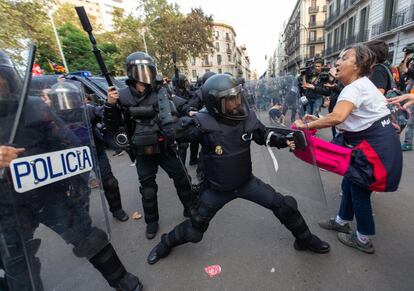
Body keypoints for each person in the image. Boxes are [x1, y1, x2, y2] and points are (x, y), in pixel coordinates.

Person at [146, 74, 330, 265]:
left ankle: (305, 240)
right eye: (230, 99)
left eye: (237, 96)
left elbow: (263, 134)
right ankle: (165, 243)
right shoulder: (202, 123)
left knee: (286, 206)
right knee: (195, 230)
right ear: (215, 104)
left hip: (246, 182)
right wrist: (162, 98)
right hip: (216, 189)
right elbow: (172, 133)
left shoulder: (246, 117)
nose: (237, 102)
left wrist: (284, 140)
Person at [0, 50, 142, 290]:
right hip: (5, 205)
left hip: (47, 193)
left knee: (88, 236)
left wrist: (76, 185)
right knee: (17, 264)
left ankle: (121, 280)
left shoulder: (34, 108)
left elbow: (67, 145)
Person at [295, 44, 403, 254]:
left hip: (375, 151)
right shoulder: (362, 85)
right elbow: (354, 119)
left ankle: (363, 239)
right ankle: (341, 220)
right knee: (350, 181)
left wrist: (306, 126)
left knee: (358, 190)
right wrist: (318, 119)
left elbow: (338, 117)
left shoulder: (354, 88)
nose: (337, 62)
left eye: (344, 58)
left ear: (358, 65)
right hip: (376, 147)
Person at [104, 51, 194, 239]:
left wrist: (190, 110)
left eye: (148, 69)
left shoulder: (160, 91)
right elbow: (112, 126)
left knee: (182, 179)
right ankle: (151, 222)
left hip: (164, 146)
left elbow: (178, 105)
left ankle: (190, 209)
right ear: (131, 72)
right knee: (148, 189)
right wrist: (110, 105)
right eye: (141, 70)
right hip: (142, 151)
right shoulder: (121, 96)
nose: (145, 74)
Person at [47, 83, 129, 222]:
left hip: (95, 152)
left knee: (109, 182)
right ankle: (83, 221)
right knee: (78, 191)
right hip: (71, 158)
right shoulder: (50, 116)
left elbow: (104, 114)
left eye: (69, 97)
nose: (66, 102)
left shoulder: (87, 110)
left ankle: (117, 209)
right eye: (61, 98)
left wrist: (110, 103)